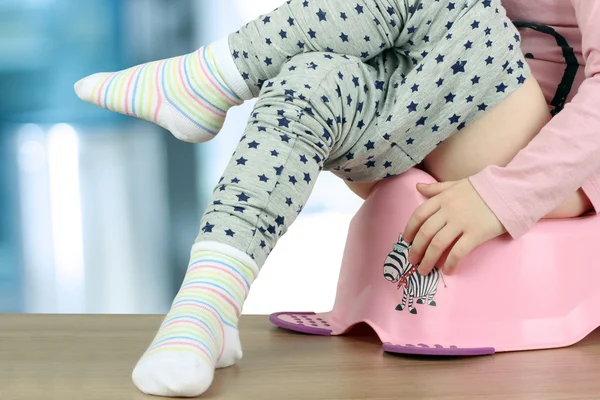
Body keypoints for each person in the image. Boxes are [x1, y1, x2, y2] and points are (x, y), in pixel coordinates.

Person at [72, 0, 583, 396]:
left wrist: (505, 196)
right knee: (312, 79)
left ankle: (208, 77)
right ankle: (205, 310)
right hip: (441, 107)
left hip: (538, 156)